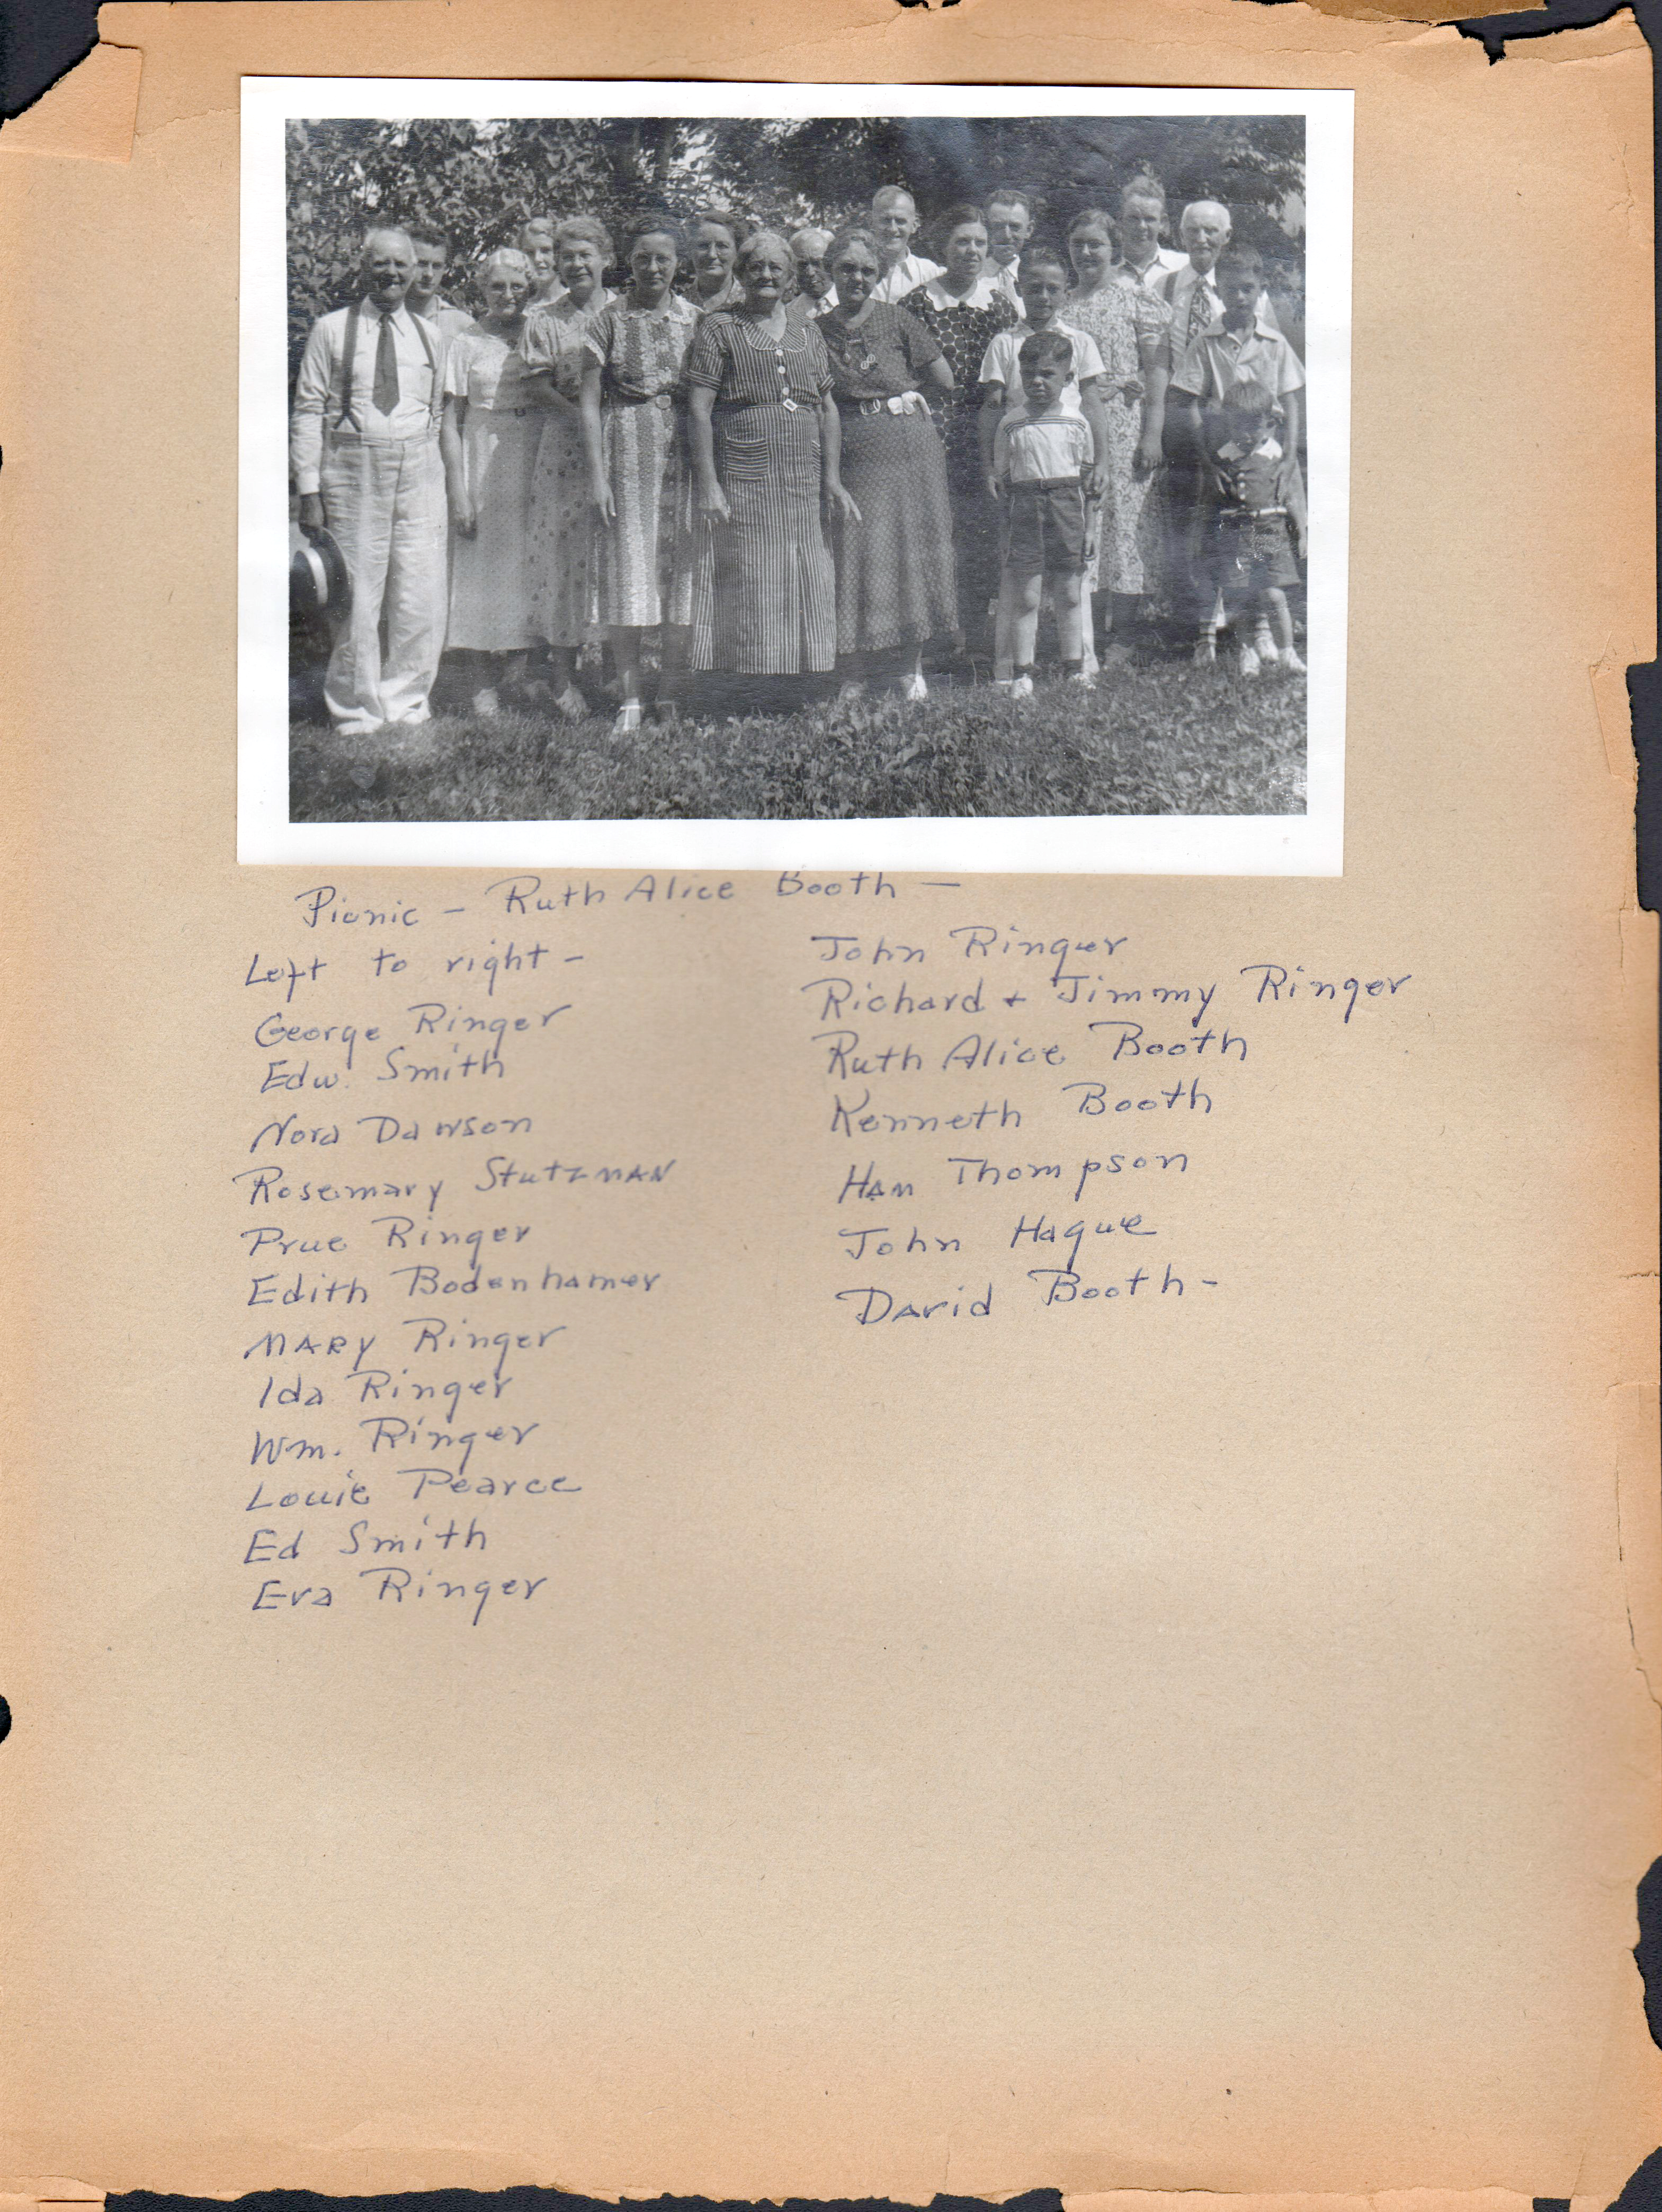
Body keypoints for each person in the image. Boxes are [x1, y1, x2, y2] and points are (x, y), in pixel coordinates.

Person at [290, 226, 448, 736]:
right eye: (382, 263)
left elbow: (436, 412)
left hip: (419, 468)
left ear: (415, 270)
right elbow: (308, 409)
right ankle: (356, 709)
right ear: (364, 267)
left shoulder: (430, 336)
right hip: (354, 468)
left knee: (419, 590)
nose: (392, 273)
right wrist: (309, 489)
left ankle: (407, 701)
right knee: (357, 595)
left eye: (402, 264)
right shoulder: (332, 330)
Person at [684, 229, 854, 692]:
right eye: (755, 267)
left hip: (803, 474)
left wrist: (833, 479)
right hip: (746, 472)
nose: (765, 275)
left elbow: (828, 408)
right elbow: (698, 409)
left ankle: (804, 679)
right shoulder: (720, 327)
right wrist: (709, 484)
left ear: (790, 277)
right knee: (754, 569)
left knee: (807, 569)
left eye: (775, 267)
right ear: (740, 275)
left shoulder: (808, 331)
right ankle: (750, 685)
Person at [818, 225, 957, 700]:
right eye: (847, 269)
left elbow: (945, 379)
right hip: (854, 449)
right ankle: (853, 673)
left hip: (908, 449)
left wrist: (906, 396)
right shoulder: (817, 330)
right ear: (831, 271)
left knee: (909, 550)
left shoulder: (898, 319)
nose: (857, 278)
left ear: (879, 274)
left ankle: (909, 668)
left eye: (867, 270)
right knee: (855, 551)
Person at [579, 219, 701, 733]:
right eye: (643, 258)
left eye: (663, 259)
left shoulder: (697, 320)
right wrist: (597, 477)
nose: (653, 268)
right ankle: (631, 697)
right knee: (627, 572)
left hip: (684, 458)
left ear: (678, 264)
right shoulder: (608, 320)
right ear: (628, 263)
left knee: (680, 577)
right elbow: (588, 403)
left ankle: (668, 693)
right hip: (626, 456)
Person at [900, 202, 1016, 654]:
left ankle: (975, 631)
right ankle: (937, 633)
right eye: (962, 242)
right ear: (943, 247)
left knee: (981, 532)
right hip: (937, 432)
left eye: (980, 243)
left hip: (986, 433)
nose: (972, 251)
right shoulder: (918, 303)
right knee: (938, 532)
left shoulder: (999, 304)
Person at [519, 216, 617, 724]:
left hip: (618, 448)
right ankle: (561, 676)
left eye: (586, 255)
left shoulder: (625, 311)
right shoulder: (544, 320)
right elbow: (537, 388)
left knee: (611, 556)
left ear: (606, 259)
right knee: (563, 560)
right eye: (568, 257)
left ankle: (613, 672)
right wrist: (584, 419)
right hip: (564, 451)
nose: (577, 265)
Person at [1064, 203, 1172, 657]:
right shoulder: (1063, 304)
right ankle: (1082, 633)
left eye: (1096, 244)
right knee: (1084, 518)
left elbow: (1157, 373)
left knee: (1124, 526)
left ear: (1114, 248)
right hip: (1076, 428)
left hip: (1127, 425)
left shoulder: (1135, 298)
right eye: (1078, 244)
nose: (1087, 253)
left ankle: (1123, 636)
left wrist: (1152, 434)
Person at [439, 248, 544, 716]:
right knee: (479, 569)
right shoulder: (466, 341)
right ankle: (481, 682)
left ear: (529, 289)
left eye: (517, 287)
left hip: (531, 452)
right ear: (482, 288)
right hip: (481, 455)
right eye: (497, 286)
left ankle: (522, 675)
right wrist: (458, 491)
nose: (507, 295)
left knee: (527, 566)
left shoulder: (539, 332)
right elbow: (450, 422)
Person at [989, 329, 1096, 697]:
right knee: (1028, 597)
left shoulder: (1077, 422)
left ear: (1068, 378)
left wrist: (1091, 530)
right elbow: (1004, 482)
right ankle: (1022, 673)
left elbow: (1089, 483)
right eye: (1029, 374)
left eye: (1048, 374)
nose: (1037, 382)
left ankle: (1075, 669)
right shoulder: (1011, 423)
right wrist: (1005, 532)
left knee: (1070, 594)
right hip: (1025, 510)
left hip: (1067, 510)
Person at [977, 246, 1109, 516]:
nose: (1044, 297)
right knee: (1023, 537)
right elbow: (992, 408)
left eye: (1053, 289)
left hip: (1068, 465)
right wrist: (990, 467)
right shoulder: (1004, 343)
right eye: (1035, 288)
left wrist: (1102, 462)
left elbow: (1092, 404)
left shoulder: (1080, 342)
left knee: (1071, 535)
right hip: (1021, 466)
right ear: (1019, 288)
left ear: (1066, 290)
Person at [1191, 377, 1306, 674]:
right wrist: (1198, 536)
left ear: (1268, 422)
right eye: (1237, 427)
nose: (1245, 435)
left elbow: (1292, 495)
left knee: (1275, 595)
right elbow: (1208, 499)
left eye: (1253, 427)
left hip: (1270, 532)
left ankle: (1288, 652)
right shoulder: (1224, 457)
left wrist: (1302, 532)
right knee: (1239, 596)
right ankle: (1248, 652)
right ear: (1227, 423)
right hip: (1236, 536)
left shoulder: (1277, 455)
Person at [1168, 244, 1304, 460]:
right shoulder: (1205, 343)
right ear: (1218, 292)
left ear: (1261, 289)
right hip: (1224, 446)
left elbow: (1290, 403)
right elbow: (1191, 403)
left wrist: (1289, 458)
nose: (1240, 297)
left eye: (1247, 288)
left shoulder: (1276, 343)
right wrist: (1206, 460)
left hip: (1271, 447)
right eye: (1231, 290)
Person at [868, 185, 944, 304]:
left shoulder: (930, 274)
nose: (893, 229)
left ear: (914, 225)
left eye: (900, 221)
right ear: (872, 223)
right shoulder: (857, 273)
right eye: (886, 220)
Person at [1114, 174, 1186, 292]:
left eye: (1149, 219)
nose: (1142, 226)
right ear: (1120, 220)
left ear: (1162, 223)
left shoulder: (1184, 266)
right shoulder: (1104, 272)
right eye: (1134, 218)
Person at [405, 224, 476, 341]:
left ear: (445, 269)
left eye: (437, 266)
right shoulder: (383, 316)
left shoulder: (462, 325)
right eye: (422, 264)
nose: (429, 274)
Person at [984, 185, 1036, 310]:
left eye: (1014, 227)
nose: (1007, 236)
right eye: (998, 226)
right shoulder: (970, 277)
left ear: (1029, 230)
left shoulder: (1037, 278)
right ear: (986, 228)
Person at [686, 211, 747, 314]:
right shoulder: (678, 306)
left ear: (737, 251)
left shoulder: (751, 303)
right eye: (703, 246)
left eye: (722, 246)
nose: (712, 255)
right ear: (691, 251)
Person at [786, 227, 836, 323]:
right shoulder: (789, 314)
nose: (810, 273)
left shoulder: (849, 304)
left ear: (832, 264)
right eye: (803, 265)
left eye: (816, 263)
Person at [517, 217, 562, 305]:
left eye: (546, 251)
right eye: (530, 252)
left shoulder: (578, 304)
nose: (537, 259)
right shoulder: (518, 307)